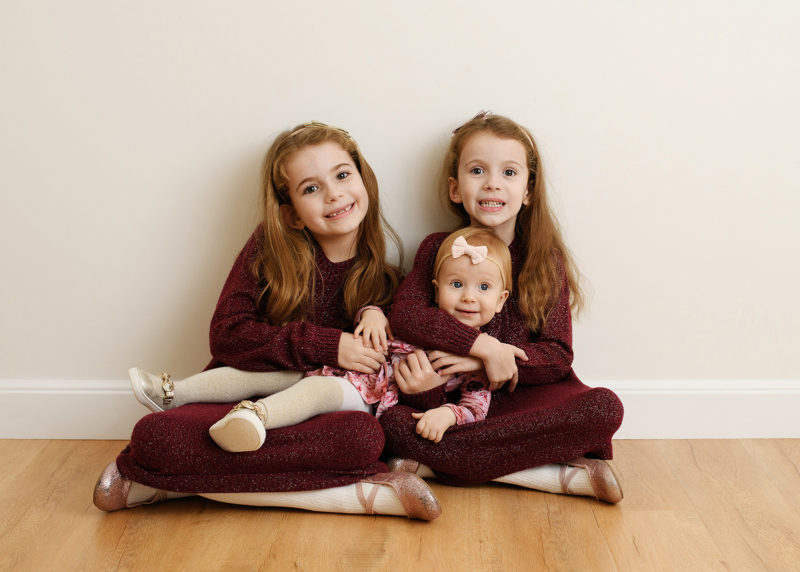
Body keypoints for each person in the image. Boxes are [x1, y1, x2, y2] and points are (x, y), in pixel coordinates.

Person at [93, 121, 441, 520]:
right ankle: (356, 492)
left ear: (364, 180)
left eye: (343, 175)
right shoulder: (269, 249)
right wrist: (329, 345)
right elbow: (226, 337)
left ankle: (168, 486)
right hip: (245, 392)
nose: (334, 194)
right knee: (156, 436)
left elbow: (394, 380)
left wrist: (426, 390)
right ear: (291, 213)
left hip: (321, 416)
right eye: (311, 188)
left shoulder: (391, 281)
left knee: (363, 437)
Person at [381, 112, 625, 503]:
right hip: (452, 401)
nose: (493, 182)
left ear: (528, 191)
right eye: (478, 170)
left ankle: (440, 460)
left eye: (509, 173)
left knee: (605, 409)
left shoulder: (545, 260)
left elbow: (558, 356)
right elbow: (407, 316)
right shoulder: (436, 248)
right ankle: (546, 473)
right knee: (390, 424)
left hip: (519, 400)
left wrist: (488, 364)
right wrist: (483, 347)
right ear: (455, 188)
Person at [207, 226, 512, 452]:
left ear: (501, 300)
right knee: (266, 376)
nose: (468, 297)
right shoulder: (422, 318)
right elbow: (389, 314)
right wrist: (372, 313)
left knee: (316, 390)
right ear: (436, 289)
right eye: (457, 284)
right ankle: (171, 391)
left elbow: (475, 407)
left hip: (367, 394)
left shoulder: (478, 362)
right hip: (344, 363)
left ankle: (255, 417)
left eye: (483, 288)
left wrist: (446, 413)